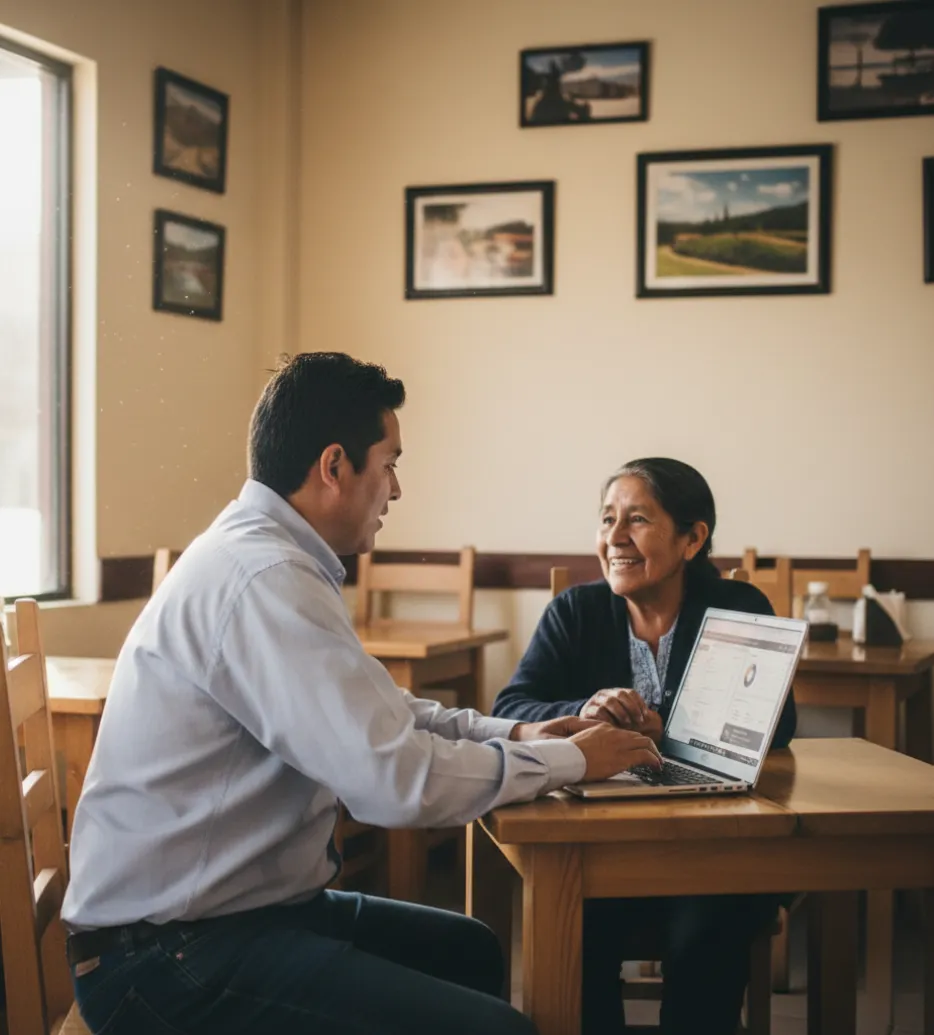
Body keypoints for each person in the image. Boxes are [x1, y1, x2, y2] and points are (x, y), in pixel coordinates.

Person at [61, 353, 662, 1035]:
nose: (397, 489)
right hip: (168, 957)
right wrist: (577, 761)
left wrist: (519, 735)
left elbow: (384, 712)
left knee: (470, 950)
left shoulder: (275, 558)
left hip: (235, 916)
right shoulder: (261, 577)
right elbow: (392, 778)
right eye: (390, 463)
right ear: (334, 467)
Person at [492, 457, 797, 1035]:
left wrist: (671, 730)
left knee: (708, 935)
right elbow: (510, 708)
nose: (615, 538)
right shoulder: (575, 613)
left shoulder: (740, 607)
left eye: (637, 520)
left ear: (692, 538)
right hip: (601, 848)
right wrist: (579, 714)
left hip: (716, 849)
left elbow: (778, 728)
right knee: (574, 927)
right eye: (607, 520)